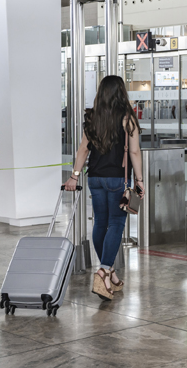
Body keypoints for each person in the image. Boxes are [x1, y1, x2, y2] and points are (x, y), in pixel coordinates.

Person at [65, 75, 143, 301]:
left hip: (95, 178)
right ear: (121, 93)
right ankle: (103, 270)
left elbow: (83, 150)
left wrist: (74, 176)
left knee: (100, 223)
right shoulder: (128, 119)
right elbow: (135, 152)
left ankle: (111, 274)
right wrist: (139, 181)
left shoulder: (92, 117)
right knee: (116, 223)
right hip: (117, 179)